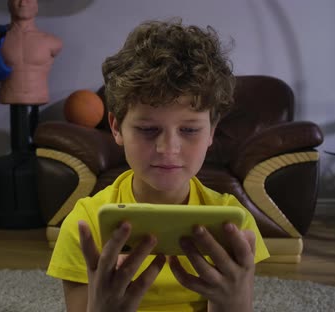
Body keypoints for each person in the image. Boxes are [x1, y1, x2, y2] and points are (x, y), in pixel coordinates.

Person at [47, 20, 270, 312]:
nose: (168, 149)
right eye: (148, 129)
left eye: (189, 130)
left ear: (212, 131)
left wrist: (233, 305)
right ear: (116, 127)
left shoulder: (235, 225)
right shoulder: (85, 226)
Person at [0, 0, 62, 141]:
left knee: (34, 142)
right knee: (19, 144)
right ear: (8, 4)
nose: (23, 3)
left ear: (37, 5)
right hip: (10, 95)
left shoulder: (53, 41)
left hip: (38, 97)